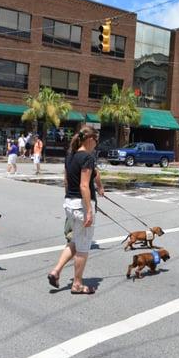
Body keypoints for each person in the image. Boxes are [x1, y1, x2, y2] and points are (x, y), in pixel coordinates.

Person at [48, 125, 105, 294]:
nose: (96, 144)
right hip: (81, 205)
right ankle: (77, 284)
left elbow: (66, 181)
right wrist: (88, 211)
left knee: (75, 241)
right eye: (96, 140)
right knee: (83, 247)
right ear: (89, 139)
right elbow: (84, 186)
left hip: (69, 203)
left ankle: (56, 271)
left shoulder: (70, 156)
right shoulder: (87, 158)